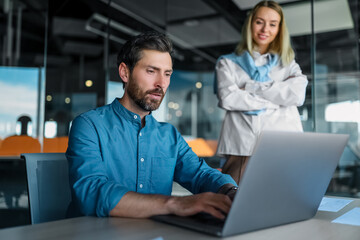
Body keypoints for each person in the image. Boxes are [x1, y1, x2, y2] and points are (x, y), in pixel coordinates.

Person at [66, 31, 238, 220]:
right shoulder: (89, 125)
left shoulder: (169, 135)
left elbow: (201, 174)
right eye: (151, 71)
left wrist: (231, 191)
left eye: (167, 74)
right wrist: (176, 204)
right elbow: (91, 193)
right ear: (125, 72)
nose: (161, 83)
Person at [215, 1, 308, 184]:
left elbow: (297, 96)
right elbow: (228, 98)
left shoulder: (288, 64)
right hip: (241, 146)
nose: (265, 29)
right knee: (231, 201)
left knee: (282, 202)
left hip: (283, 144)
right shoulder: (227, 63)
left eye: (273, 24)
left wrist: (251, 87)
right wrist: (276, 101)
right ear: (250, 24)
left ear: (279, 29)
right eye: (260, 22)